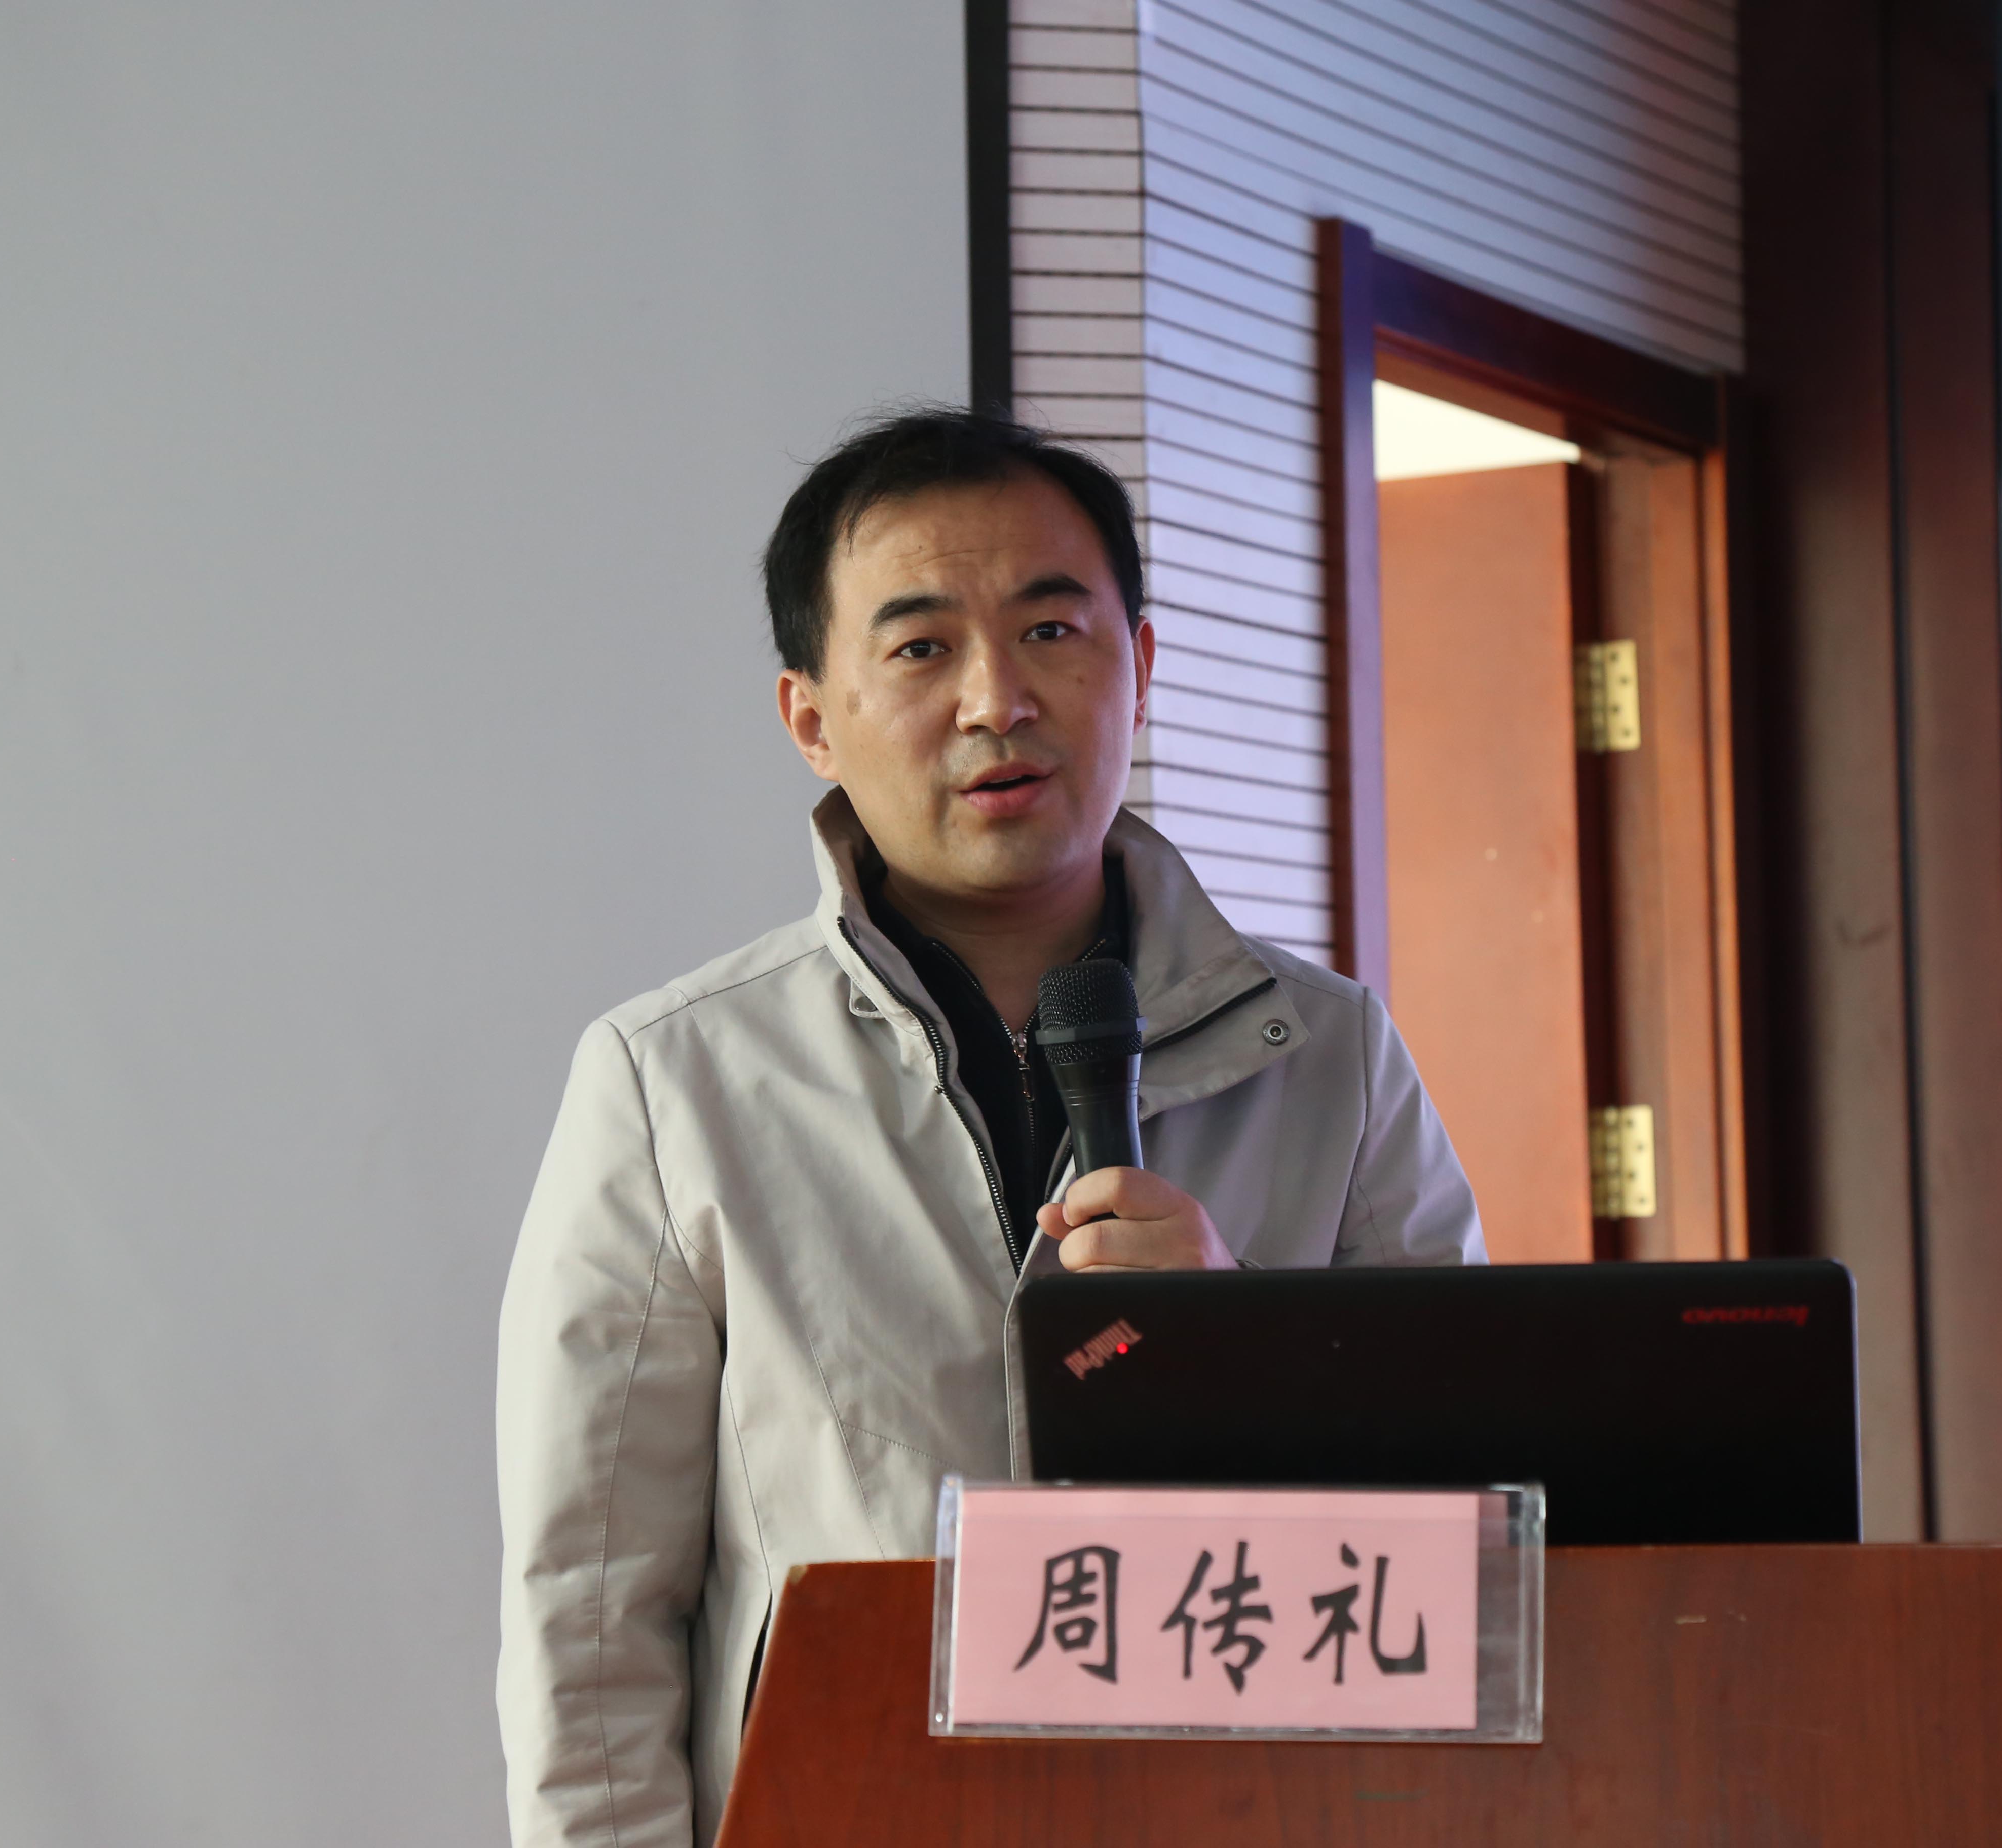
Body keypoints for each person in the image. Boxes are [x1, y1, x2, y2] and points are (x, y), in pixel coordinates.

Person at [493, 408, 1483, 1845]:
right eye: (920, 649)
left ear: (1142, 664)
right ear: (812, 720)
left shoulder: (1334, 1057)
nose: (997, 701)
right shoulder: (678, 1082)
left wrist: (1251, 1349)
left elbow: (1479, 1522)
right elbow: (590, 1615)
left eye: (1051, 632)